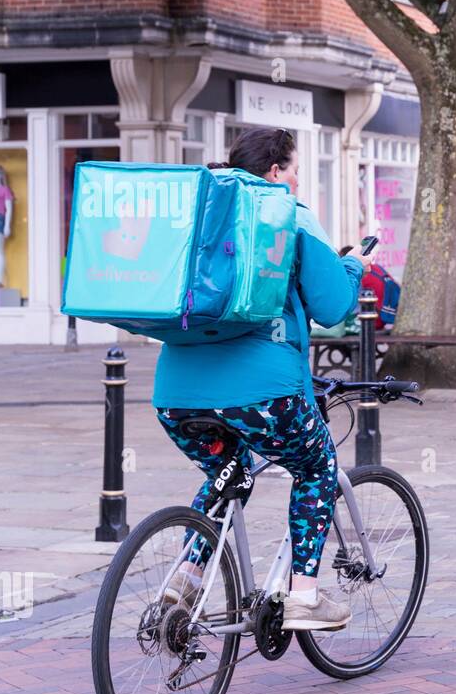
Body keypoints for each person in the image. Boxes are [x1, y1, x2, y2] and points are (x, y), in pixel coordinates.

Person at [153, 127, 367, 632]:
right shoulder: (288, 214)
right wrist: (353, 265)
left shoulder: (197, 212)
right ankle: (305, 597)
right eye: (293, 169)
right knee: (316, 470)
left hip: (176, 394)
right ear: (274, 172)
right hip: (265, 392)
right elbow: (335, 307)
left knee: (229, 472)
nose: (295, 179)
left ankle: (185, 575)